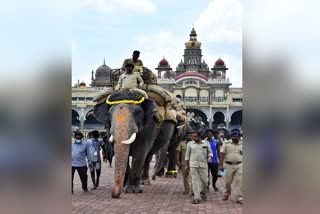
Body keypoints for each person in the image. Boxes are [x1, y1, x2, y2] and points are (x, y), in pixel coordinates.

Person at [185, 131, 213, 204]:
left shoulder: (206, 143)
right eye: (192, 136)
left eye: (195, 136)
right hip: (193, 165)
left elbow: (210, 152)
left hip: (203, 165)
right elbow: (187, 156)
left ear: (199, 136)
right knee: (195, 181)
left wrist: (210, 157)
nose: (193, 138)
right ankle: (196, 197)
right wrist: (186, 165)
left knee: (205, 181)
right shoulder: (190, 144)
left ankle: (203, 193)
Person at [219, 130, 243, 204]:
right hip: (228, 165)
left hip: (240, 164)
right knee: (227, 181)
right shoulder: (226, 143)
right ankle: (227, 193)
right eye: (234, 136)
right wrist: (220, 165)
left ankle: (239, 197)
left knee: (240, 181)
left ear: (239, 137)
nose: (235, 138)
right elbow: (222, 154)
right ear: (231, 137)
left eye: (237, 136)